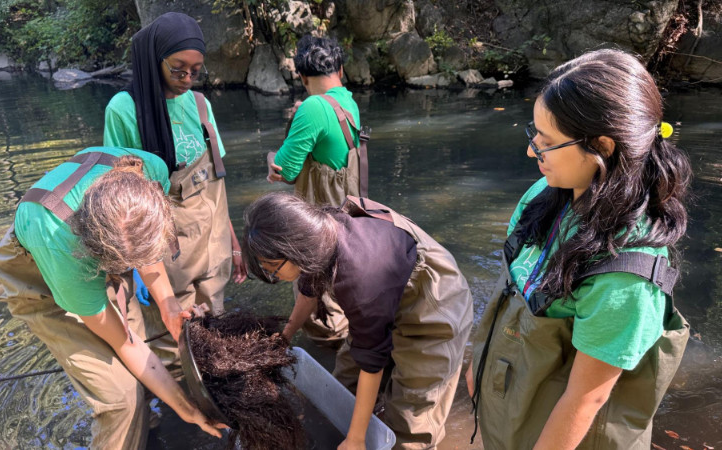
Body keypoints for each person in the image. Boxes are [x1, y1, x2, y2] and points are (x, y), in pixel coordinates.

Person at [466, 49, 692, 449]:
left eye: (547, 142)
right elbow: (512, 284)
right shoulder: (546, 194)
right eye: (533, 134)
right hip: (514, 408)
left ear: (602, 147)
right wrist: (478, 368)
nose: (531, 151)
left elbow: (587, 397)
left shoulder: (626, 272)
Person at [0, 147, 227, 449]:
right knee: (120, 396)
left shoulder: (149, 170)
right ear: (99, 251)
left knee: (142, 360)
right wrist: (187, 409)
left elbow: (144, 244)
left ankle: (147, 427)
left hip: (110, 243)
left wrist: (169, 306)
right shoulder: (65, 250)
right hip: (40, 268)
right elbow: (126, 344)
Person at [242, 192, 474, 449]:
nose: (271, 274)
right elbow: (310, 292)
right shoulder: (316, 236)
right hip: (382, 297)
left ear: (293, 249)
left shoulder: (360, 278)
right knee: (338, 389)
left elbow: (372, 363)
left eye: (272, 267)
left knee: (410, 420)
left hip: (432, 307)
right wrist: (285, 336)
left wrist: (355, 439)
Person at [103, 13, 245, 341]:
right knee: (175, 341)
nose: (187, 79)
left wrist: (234, 244)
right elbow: (124, 198)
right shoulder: (124, 109)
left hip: (213, 249)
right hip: (167, 257)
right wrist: (137, 265)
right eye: (178, 69)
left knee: (215, 334)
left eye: (196, 71)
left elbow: (216, 185)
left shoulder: (200, 105)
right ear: (156, 60)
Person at [266, 35, 369, 346]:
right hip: (347, 217)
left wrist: (269, 157)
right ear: (338, 67)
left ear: (302, 77)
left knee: (315, 294)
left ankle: (321, 348)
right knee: (336, 292)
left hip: (321, 223)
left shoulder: (312, 107)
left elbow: (285, 172)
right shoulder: (347, 102)